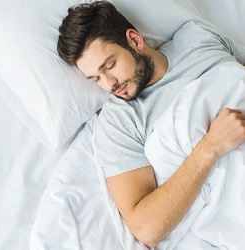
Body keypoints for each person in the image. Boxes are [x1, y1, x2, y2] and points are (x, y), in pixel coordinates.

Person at [57, 1, 245, 247]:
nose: (109, 84)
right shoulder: (119, 121)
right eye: (95, 79)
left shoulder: (198, 36)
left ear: (134, 40)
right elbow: (147, 228)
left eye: (110, 65)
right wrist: (210, 146)